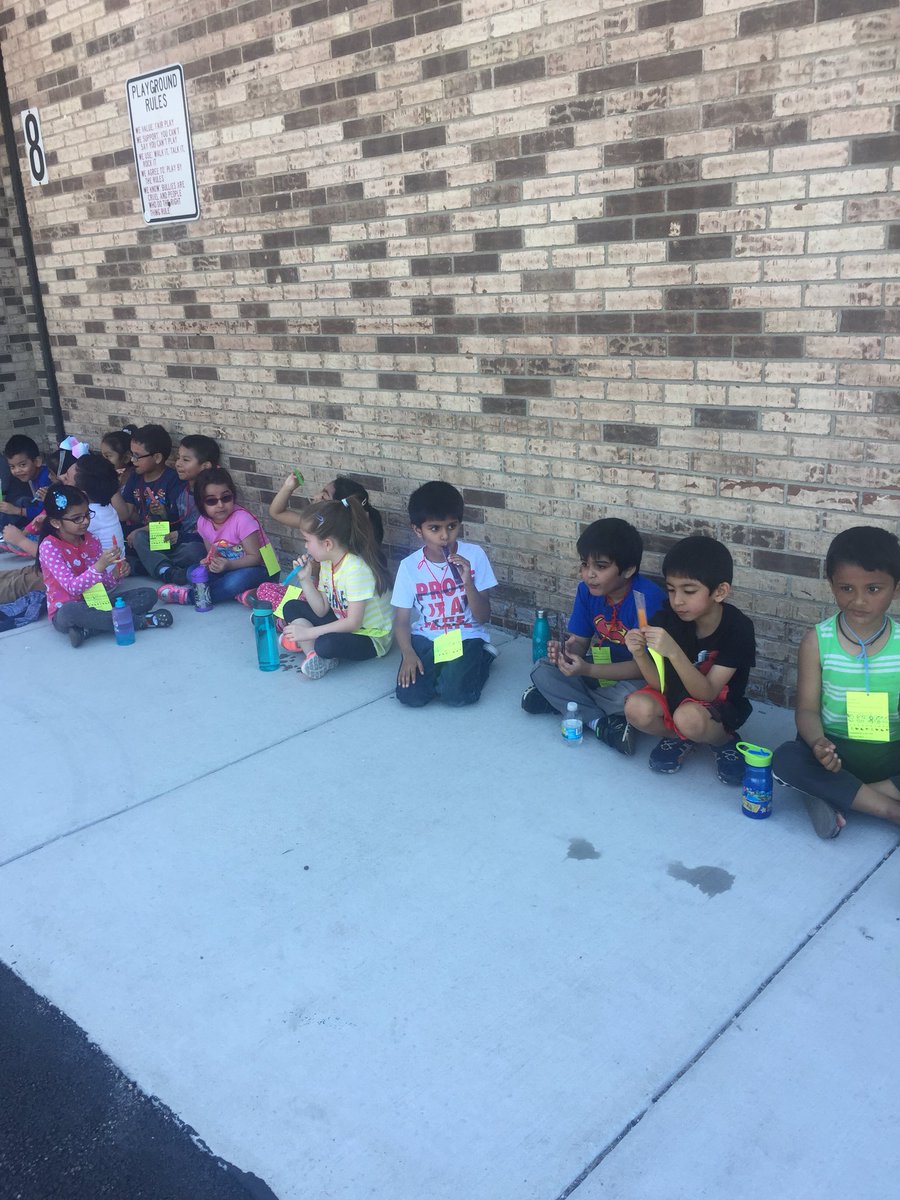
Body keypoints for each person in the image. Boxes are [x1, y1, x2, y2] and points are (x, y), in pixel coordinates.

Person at [773, 526, 900, 839]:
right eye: (846, 588)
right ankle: (889, 809)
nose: (858, 601)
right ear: (831, 584)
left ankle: (837, 796)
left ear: (896, 588)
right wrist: (818, 744)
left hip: (888, 753)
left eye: (873, 589)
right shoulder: (817, 641)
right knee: (786, 758)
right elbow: (805, 710)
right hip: (834, 755)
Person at [523, 518, 665, 755]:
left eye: (600, 566)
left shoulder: (646, 601)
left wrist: (586, 671)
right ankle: (601, 723)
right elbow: (579, 641)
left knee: (630, 702)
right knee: (542, 669)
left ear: (628, 570)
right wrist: (566, 655)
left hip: (638, 676)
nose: (589, 575)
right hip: (602, 667)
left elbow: (648, 669)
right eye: (584, 564)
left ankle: (566, 704)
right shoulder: (587, 591)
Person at [623, 535, 756, 785]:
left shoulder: (738, 629)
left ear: (720, 591)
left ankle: (723, 741)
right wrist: (639, 653)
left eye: (689, 591)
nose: (677, 601)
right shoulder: (669, 619)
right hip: (676, 698)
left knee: (690, 719)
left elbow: (707, 693)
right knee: (635, 708)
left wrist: (673, 652)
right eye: (671, 590)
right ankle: (680, 737)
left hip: (716, 705)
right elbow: (659, 684)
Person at [392, 480, 498, 708]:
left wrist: (467, 581)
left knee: (456, 696)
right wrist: (408, 653)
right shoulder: (409, 566)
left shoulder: (475, 555)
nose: (444, 536)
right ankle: (446, 668)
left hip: (466, 635)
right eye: (434, 528)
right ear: (417, 530)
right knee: (411, 696)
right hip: (427, 637)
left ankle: (483, 656)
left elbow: (483, 617)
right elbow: (401, 621)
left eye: (452, 526)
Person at [272, 496, 393, 679]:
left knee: (325, 644)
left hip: (370, 636)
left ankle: (311, 647)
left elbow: (354, 623)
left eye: (307, 540)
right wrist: (305, 579)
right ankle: (313, 654)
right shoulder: (328, 562)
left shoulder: (355, 569)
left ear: (327, 544)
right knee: (291, 606)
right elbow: (321, 610)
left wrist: (308, 632)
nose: (306, 546)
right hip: (343, 620)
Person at [37, 483, 171, 647]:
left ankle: (90, 629)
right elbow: (72, 588)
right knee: (70, 612)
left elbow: (99, 584)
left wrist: (115, 575)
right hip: (66, 609)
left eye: (87, 514)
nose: (85, 521)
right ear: (56, 523)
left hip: (97, 602)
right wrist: (100, 566)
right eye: (77, 518)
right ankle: (141, 622)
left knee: (148, 594)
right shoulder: (49, 546)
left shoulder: (92, 540)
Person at [156, 467, 276, 606]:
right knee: (192, 572)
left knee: (233, 582)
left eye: (226, 498)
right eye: (211, 501)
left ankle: (190, 597)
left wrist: (228, 565)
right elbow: (214, 554)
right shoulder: (203, 522)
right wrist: (209, 563)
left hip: (263, 569)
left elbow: (255, 558)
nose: (220, 505)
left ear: (233, 496)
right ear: (201, 503)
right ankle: (242, 594)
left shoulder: (242, 519)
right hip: (230, 568)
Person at [130, 433, 219, 582]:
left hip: (192, 545)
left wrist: (182, 536)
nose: (178, 463)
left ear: (205, 466)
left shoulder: (211, 496)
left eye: (185, 460)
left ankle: (155, 566)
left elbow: (216, 535)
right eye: (178, 458)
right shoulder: (179, 489)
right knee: (140, 537)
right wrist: (163, 514)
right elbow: (176, 521)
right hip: (173, 543)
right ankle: (167, 570)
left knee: (195, 551)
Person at [112, 423, 184, 566]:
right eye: (132, 454)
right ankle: (150, 564)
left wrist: (163, 513)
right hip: (141, 532)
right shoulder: (135, 477)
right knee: (114, 535)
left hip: (164, 534)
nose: (132, 460)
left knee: (188, 551)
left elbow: (175, 523)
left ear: (157, 457)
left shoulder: (172, 479)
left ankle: (157, 566)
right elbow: (125, 514)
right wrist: (111, 485)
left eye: (137, 456)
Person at [269, 471, 384, 542]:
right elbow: (277, 513)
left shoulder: (352, 543)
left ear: (339, 510)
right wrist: (288, 487)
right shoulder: (317, 522)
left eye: (324, 497)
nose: (315, 497)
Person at [0, 435, 51, 534]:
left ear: (37, 461)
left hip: (48, 520)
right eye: (12, 466)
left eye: (22, 465)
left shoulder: (45, 479)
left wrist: (16, 510)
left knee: (21, 503)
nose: (17, 471)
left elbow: (43, 511)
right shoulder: (35, 477)